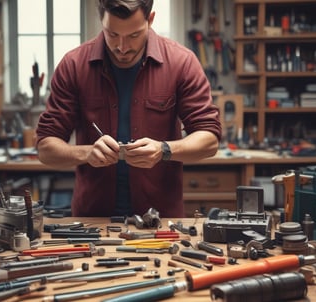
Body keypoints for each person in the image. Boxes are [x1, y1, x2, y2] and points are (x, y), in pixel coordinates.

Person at [35, 0, 221, 218]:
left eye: (133, 35)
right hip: (93, 222)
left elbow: (209, 140)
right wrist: (87, 153)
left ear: (150, 20)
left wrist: (164, 150)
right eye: (112, 34)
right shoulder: (74, 65)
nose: (122, 47)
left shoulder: (182, 62)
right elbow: (45, 148)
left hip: (161, 223)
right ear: (101, 20)